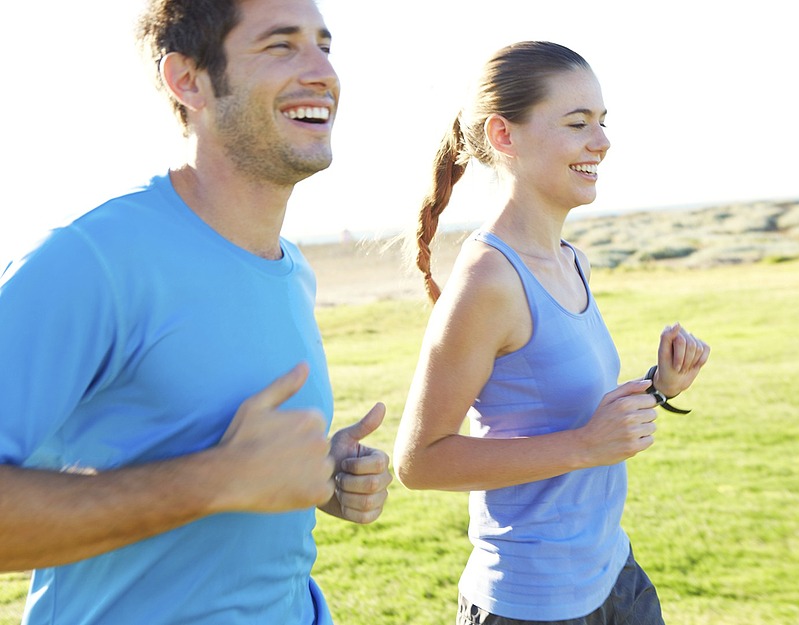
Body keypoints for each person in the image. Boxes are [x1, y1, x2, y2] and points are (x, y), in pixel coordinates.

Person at [0, 0, 392, 622]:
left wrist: (319, 471)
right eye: (280, 46)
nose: (322, 71)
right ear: (189, 80)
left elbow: (227, 463)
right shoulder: (90, 261)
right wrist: (218, 479)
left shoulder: (293, 271)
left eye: (324, 45)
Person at [393, 41, 711, 624]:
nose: (603, 141)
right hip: (532, 602)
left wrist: (657, 386)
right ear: (504, 136)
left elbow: (562, 410)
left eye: (603, 122)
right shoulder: (489, 278)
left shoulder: (570, 260)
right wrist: (584, 447)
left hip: (614, 573)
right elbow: (419, 461)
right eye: (577, 123)